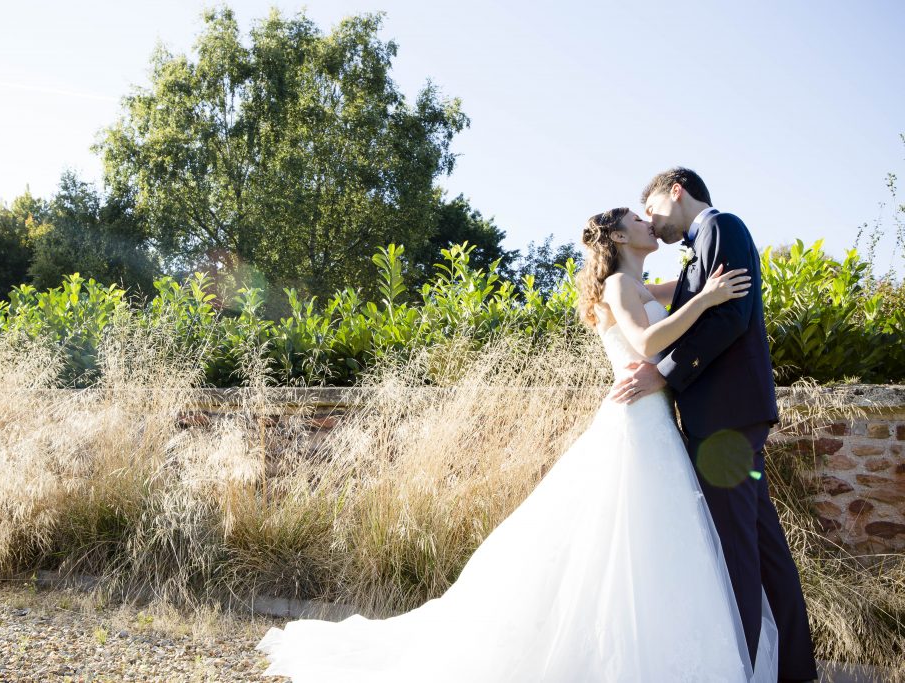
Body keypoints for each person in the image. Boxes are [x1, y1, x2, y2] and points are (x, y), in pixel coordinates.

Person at [254, 206, 778, 682]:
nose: (649, 224)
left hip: (655, 417)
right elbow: (645, 342)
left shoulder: (638, 284)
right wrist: (709, 299)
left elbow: (676, 294)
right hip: (639, 419)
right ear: (619, 236)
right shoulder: (619, 285)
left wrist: (704, 286)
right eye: (640, 222)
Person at [611, 167, 817, 683]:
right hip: (729, 417)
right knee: (762, 542)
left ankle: (741, 668)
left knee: (738, 550)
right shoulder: (690, 250)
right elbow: (684, 310)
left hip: (725, 417)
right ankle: (793, 667)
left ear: (675, 192)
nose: (651, 224)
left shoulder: (721, 226)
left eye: (652, 209)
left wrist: (665, 377)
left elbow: (730, 319)